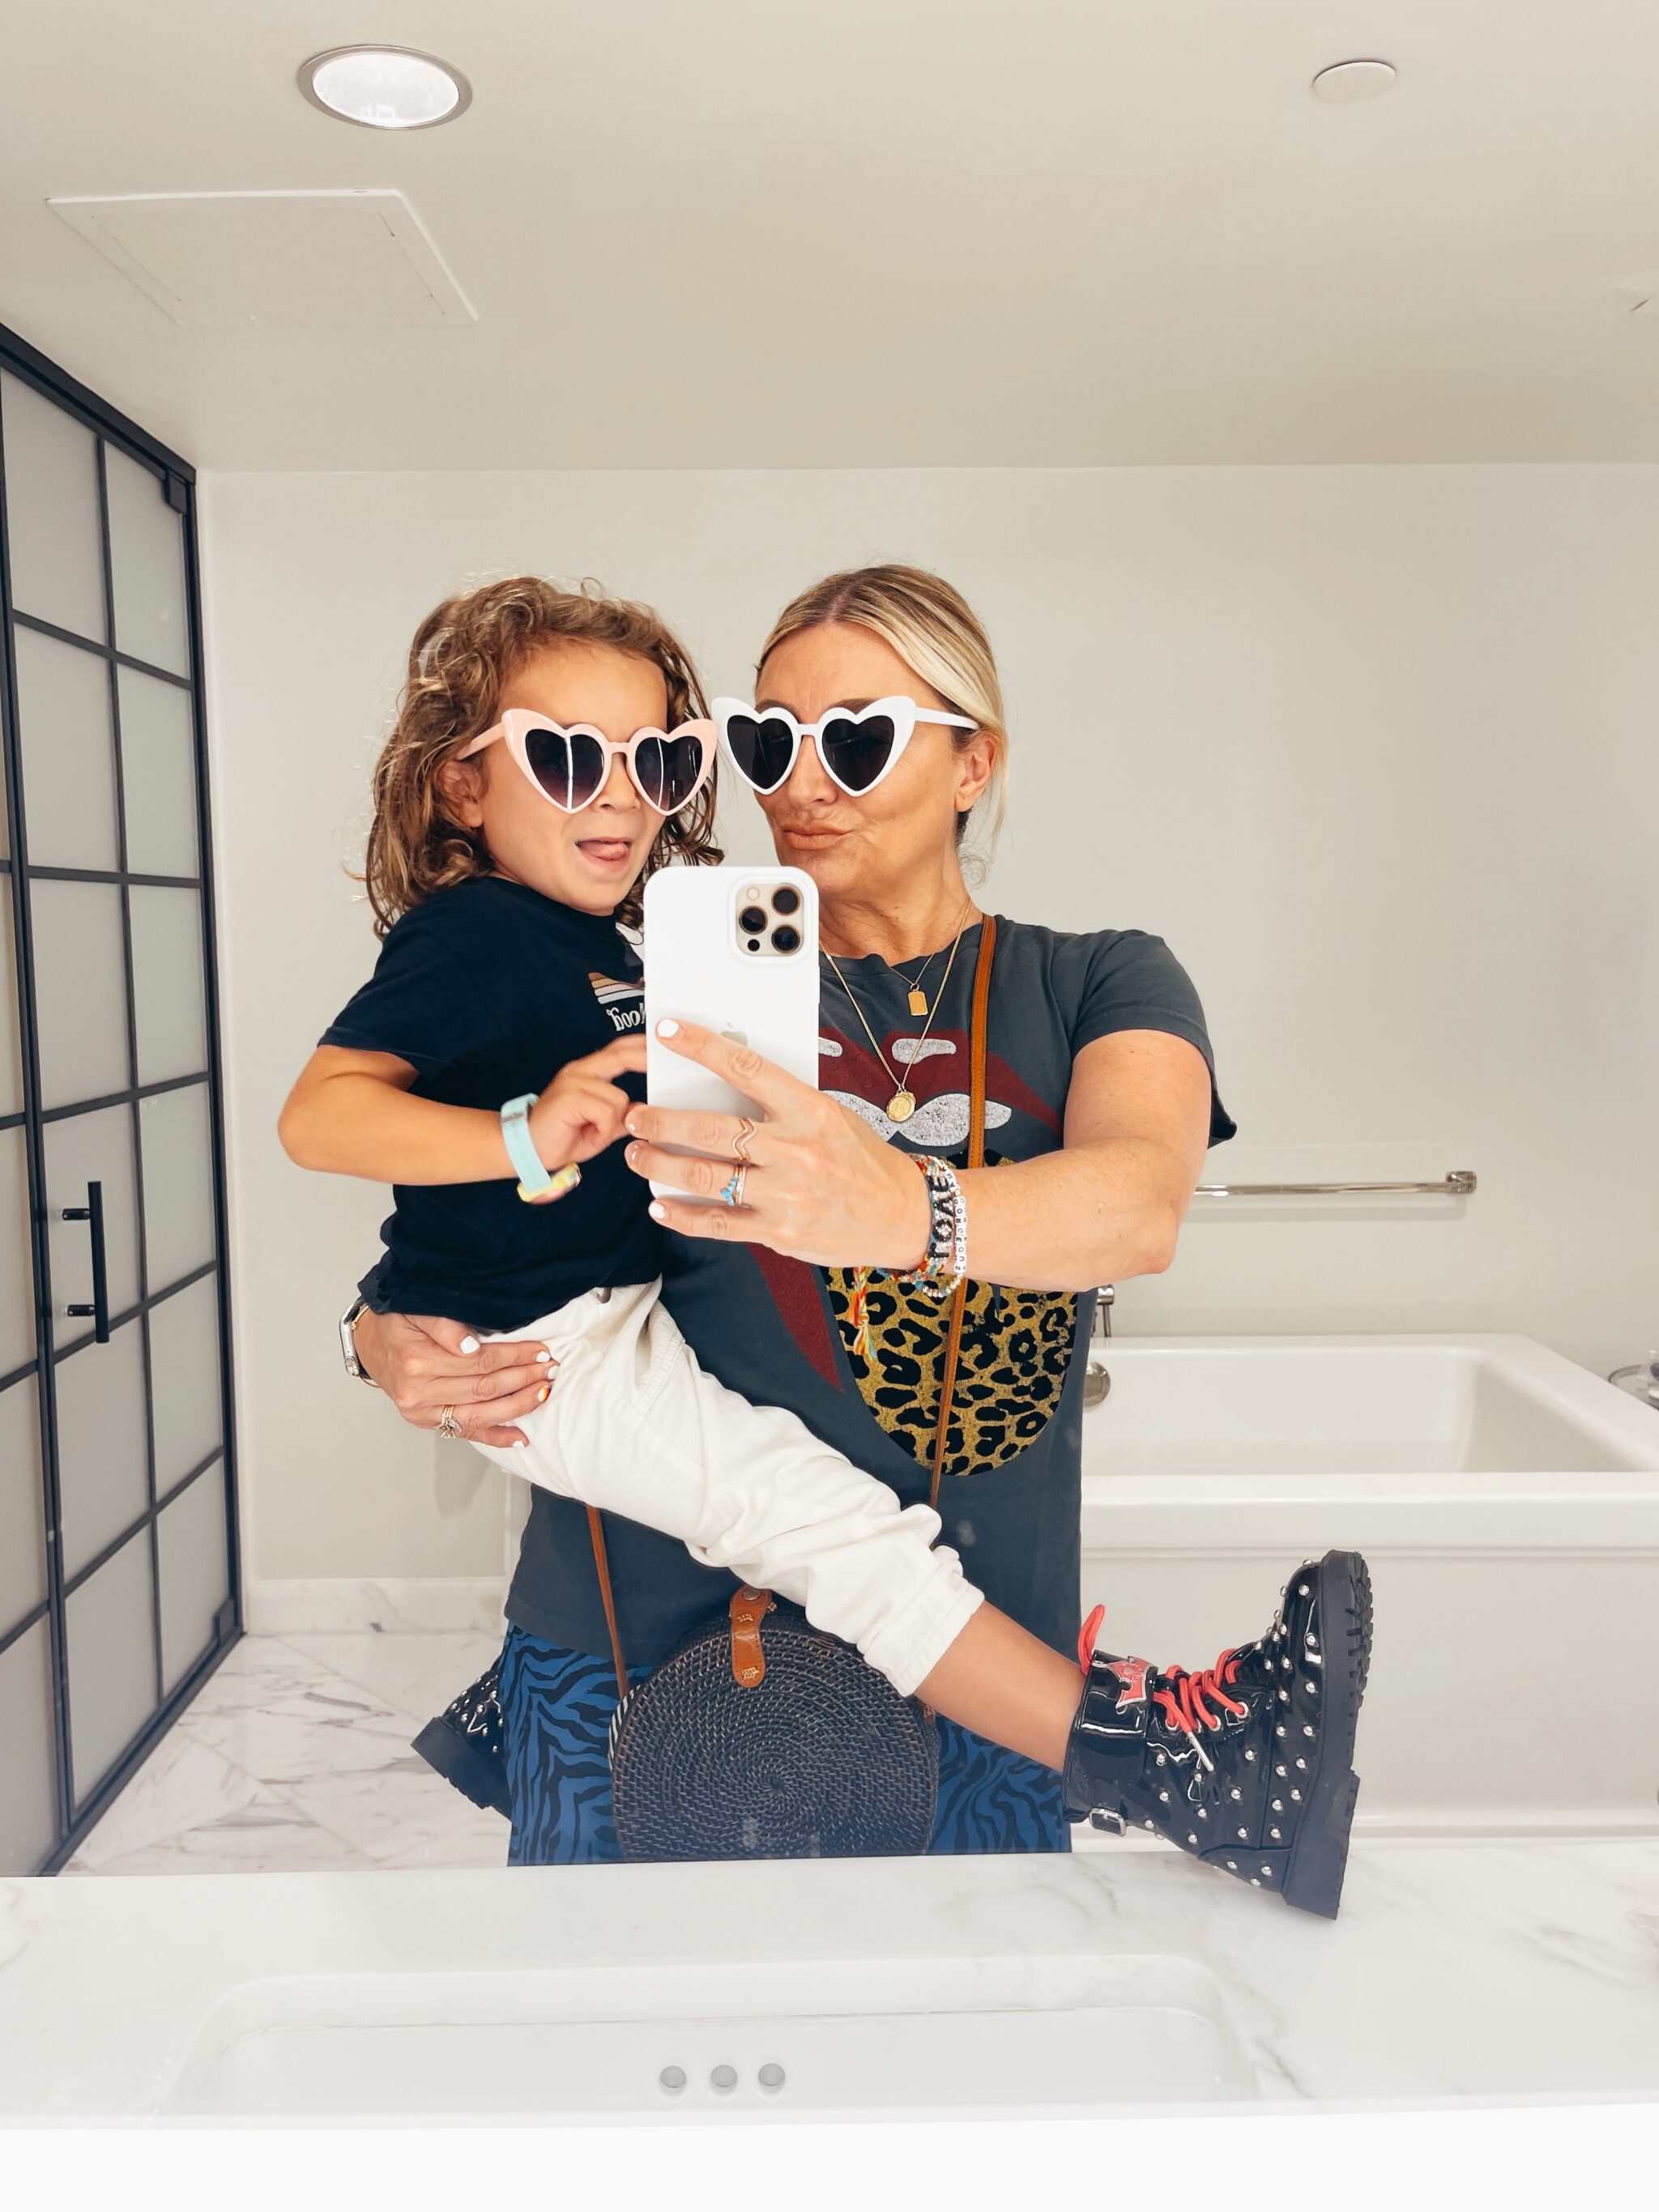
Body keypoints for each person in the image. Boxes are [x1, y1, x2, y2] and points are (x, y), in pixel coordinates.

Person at [346, 565, 1371, 1913]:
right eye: (768, 740)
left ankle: (1169, 1756)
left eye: (857, 737)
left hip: (984, 1663)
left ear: (973, 760)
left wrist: (901, 1207)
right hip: (628, 1651)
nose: (800, 783)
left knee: (963, 2078)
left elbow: (1139, 1204)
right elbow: (465, 1211)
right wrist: (379, 1339)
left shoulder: (1097, 979)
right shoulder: (659, 976)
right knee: (624, 2072)